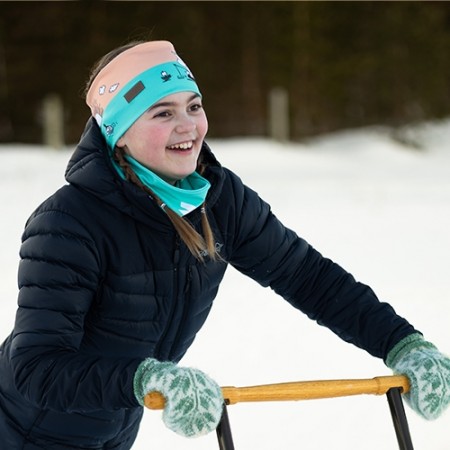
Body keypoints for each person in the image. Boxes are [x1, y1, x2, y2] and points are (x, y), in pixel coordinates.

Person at [0, 40, 448, 450]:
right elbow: (37, 367)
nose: (188, 126)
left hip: (110, 433)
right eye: (163, 113)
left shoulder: (217, 199)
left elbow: (307, 276)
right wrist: (145, 378)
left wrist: (403, 343)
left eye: (193, 106)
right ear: (119, 132)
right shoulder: (69, 222)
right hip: (22, 432)